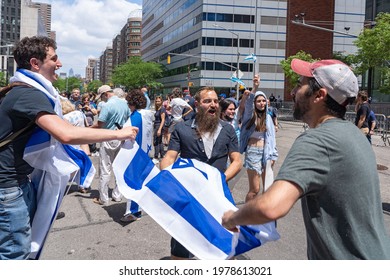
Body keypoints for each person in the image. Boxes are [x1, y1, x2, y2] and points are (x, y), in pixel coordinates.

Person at [222, 59, 390, 259]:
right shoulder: (355, 135)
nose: (293, 92)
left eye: (299, 85)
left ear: (319, 95)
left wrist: (231, 218)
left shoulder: (317, 140)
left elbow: (270, 206)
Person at [0, 36, 138, 260]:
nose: (60, 63)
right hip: (8, 188)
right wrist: (119, 133)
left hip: (16, 183)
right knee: (15, 254)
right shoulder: (28, 94)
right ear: (35, 63)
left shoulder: (24, 90)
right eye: (54, 58)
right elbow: (66, 133)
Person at [160, 86, 242, 260]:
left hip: (219, 195)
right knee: (181, 248)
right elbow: (169, 157)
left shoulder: (227, 129)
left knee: (226, 246)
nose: (213, 104)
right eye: (207, 101)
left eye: (215, 101)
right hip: (190, 196)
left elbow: (237, 161)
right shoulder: (182, 129)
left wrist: (220, 179)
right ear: (197, 104)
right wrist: (167, 178)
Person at [239, 76, 278, 202]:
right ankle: (247, 216)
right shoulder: (249, 116)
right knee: (255, 189)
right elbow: (249, 103)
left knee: (267, 188)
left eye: (263, 101)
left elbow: (272, 139)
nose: (261, 103)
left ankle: (260, 216)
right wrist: (255, 87)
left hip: (266, 153)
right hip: (253, 152)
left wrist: (273, 156)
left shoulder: (268, 118)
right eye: (258, 101)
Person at [91, 85, 131, 206]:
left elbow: (100, 124)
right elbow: (129, 118)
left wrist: (85, 129)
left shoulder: (107, 105)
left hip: (108, 137)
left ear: (105, 94)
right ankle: (117, 195)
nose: (101, 99)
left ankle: (103, 198)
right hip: (122, 137)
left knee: (105, 169)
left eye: (101, 97)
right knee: (119, 168)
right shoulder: (125, 104)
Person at [120, 89, 154, 223]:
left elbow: (126, 135)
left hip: (133, 153)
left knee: (132, 182)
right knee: (140, 182)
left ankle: (132, 212)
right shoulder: (148, 114)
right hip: (145, 152)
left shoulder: (133, 117)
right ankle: (138, 208)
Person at [152, 95, 166, 162]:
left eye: (159, 101)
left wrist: (159, 129)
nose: (157, 102)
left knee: (156, 141)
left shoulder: (162, 109)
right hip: (156, 125)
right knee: (159, 141)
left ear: (161, 101)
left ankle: (156, 156)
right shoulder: (158, 108)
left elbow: (163, 119)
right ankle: (162, 155)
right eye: (156, 101)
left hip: (159, 126)